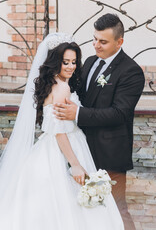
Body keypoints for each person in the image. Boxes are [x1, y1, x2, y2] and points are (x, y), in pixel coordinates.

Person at [0, 33, 124, 230]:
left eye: (74, 62)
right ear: (55, 62)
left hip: (53, 145)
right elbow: (58, 130)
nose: (70, 66)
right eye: (65, 62)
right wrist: (75, 164)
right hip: (64, 146)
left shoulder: (53, 84)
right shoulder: (61, 88)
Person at [54, 14, 145, 230]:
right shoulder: (91, 61)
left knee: (117, 209)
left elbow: (119, 113)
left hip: (110, 155)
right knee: (86, 211)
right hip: (82, 150)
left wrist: (77, 114)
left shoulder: (131, 71)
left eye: (103, 41)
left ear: (119, 42)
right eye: (94, 39)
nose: (96, 45)